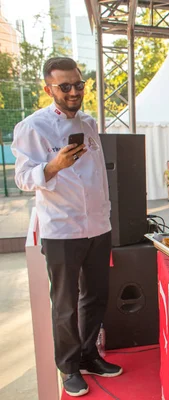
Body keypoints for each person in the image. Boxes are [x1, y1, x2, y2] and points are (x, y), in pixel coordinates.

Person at [11, 57, 122, 397]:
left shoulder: (88, 123)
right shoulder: (33, 126)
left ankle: (90, 354)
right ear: (48, 89)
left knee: (95, 296)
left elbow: (97, 177)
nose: (74, 91)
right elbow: (22, 178)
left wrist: (106, 214)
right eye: (65, 86)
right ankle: (69, 366)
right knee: (65, 304)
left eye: (78, 84)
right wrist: (52, 166)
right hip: (61, 230)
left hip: (97, 226)